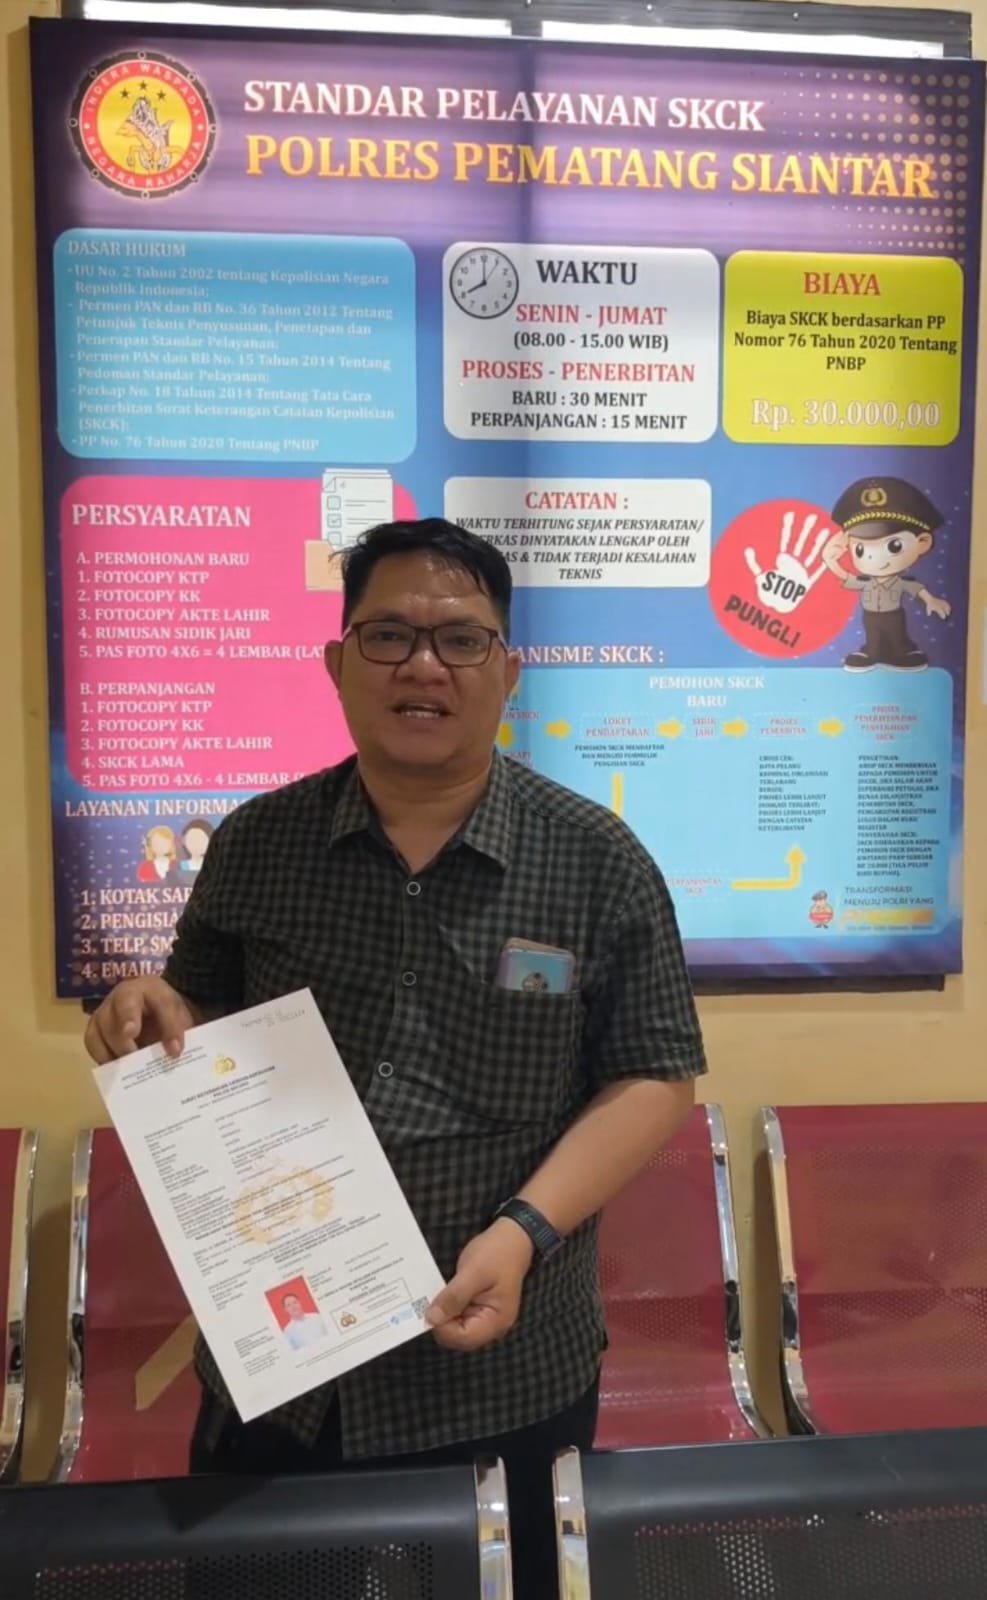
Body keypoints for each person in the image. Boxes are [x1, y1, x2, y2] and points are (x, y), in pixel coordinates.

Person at [84, 517, 707, 1600]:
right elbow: (199, 1009)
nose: (424, 665)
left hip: (503, 1366)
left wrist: (522, 1233)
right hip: (282, 1360)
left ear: (508, 671)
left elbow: (654, 1073)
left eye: (461, 639)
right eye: (388, 636)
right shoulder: (256, 843)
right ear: (337, 662)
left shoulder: (597, 861)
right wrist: (155, 1009)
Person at [823, 476, 951, 672]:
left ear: (923, 542)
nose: (873, 558)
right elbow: (847, 578)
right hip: (871, 616)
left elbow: (916, 589)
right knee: (873, 637)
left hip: (893, 616)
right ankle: (871, 654)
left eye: (894, 546)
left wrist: (931, 600)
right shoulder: (865, 582)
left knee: (897, 637)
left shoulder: (900, 583)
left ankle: (902, 655)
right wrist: (831, 561)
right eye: (860, 549)